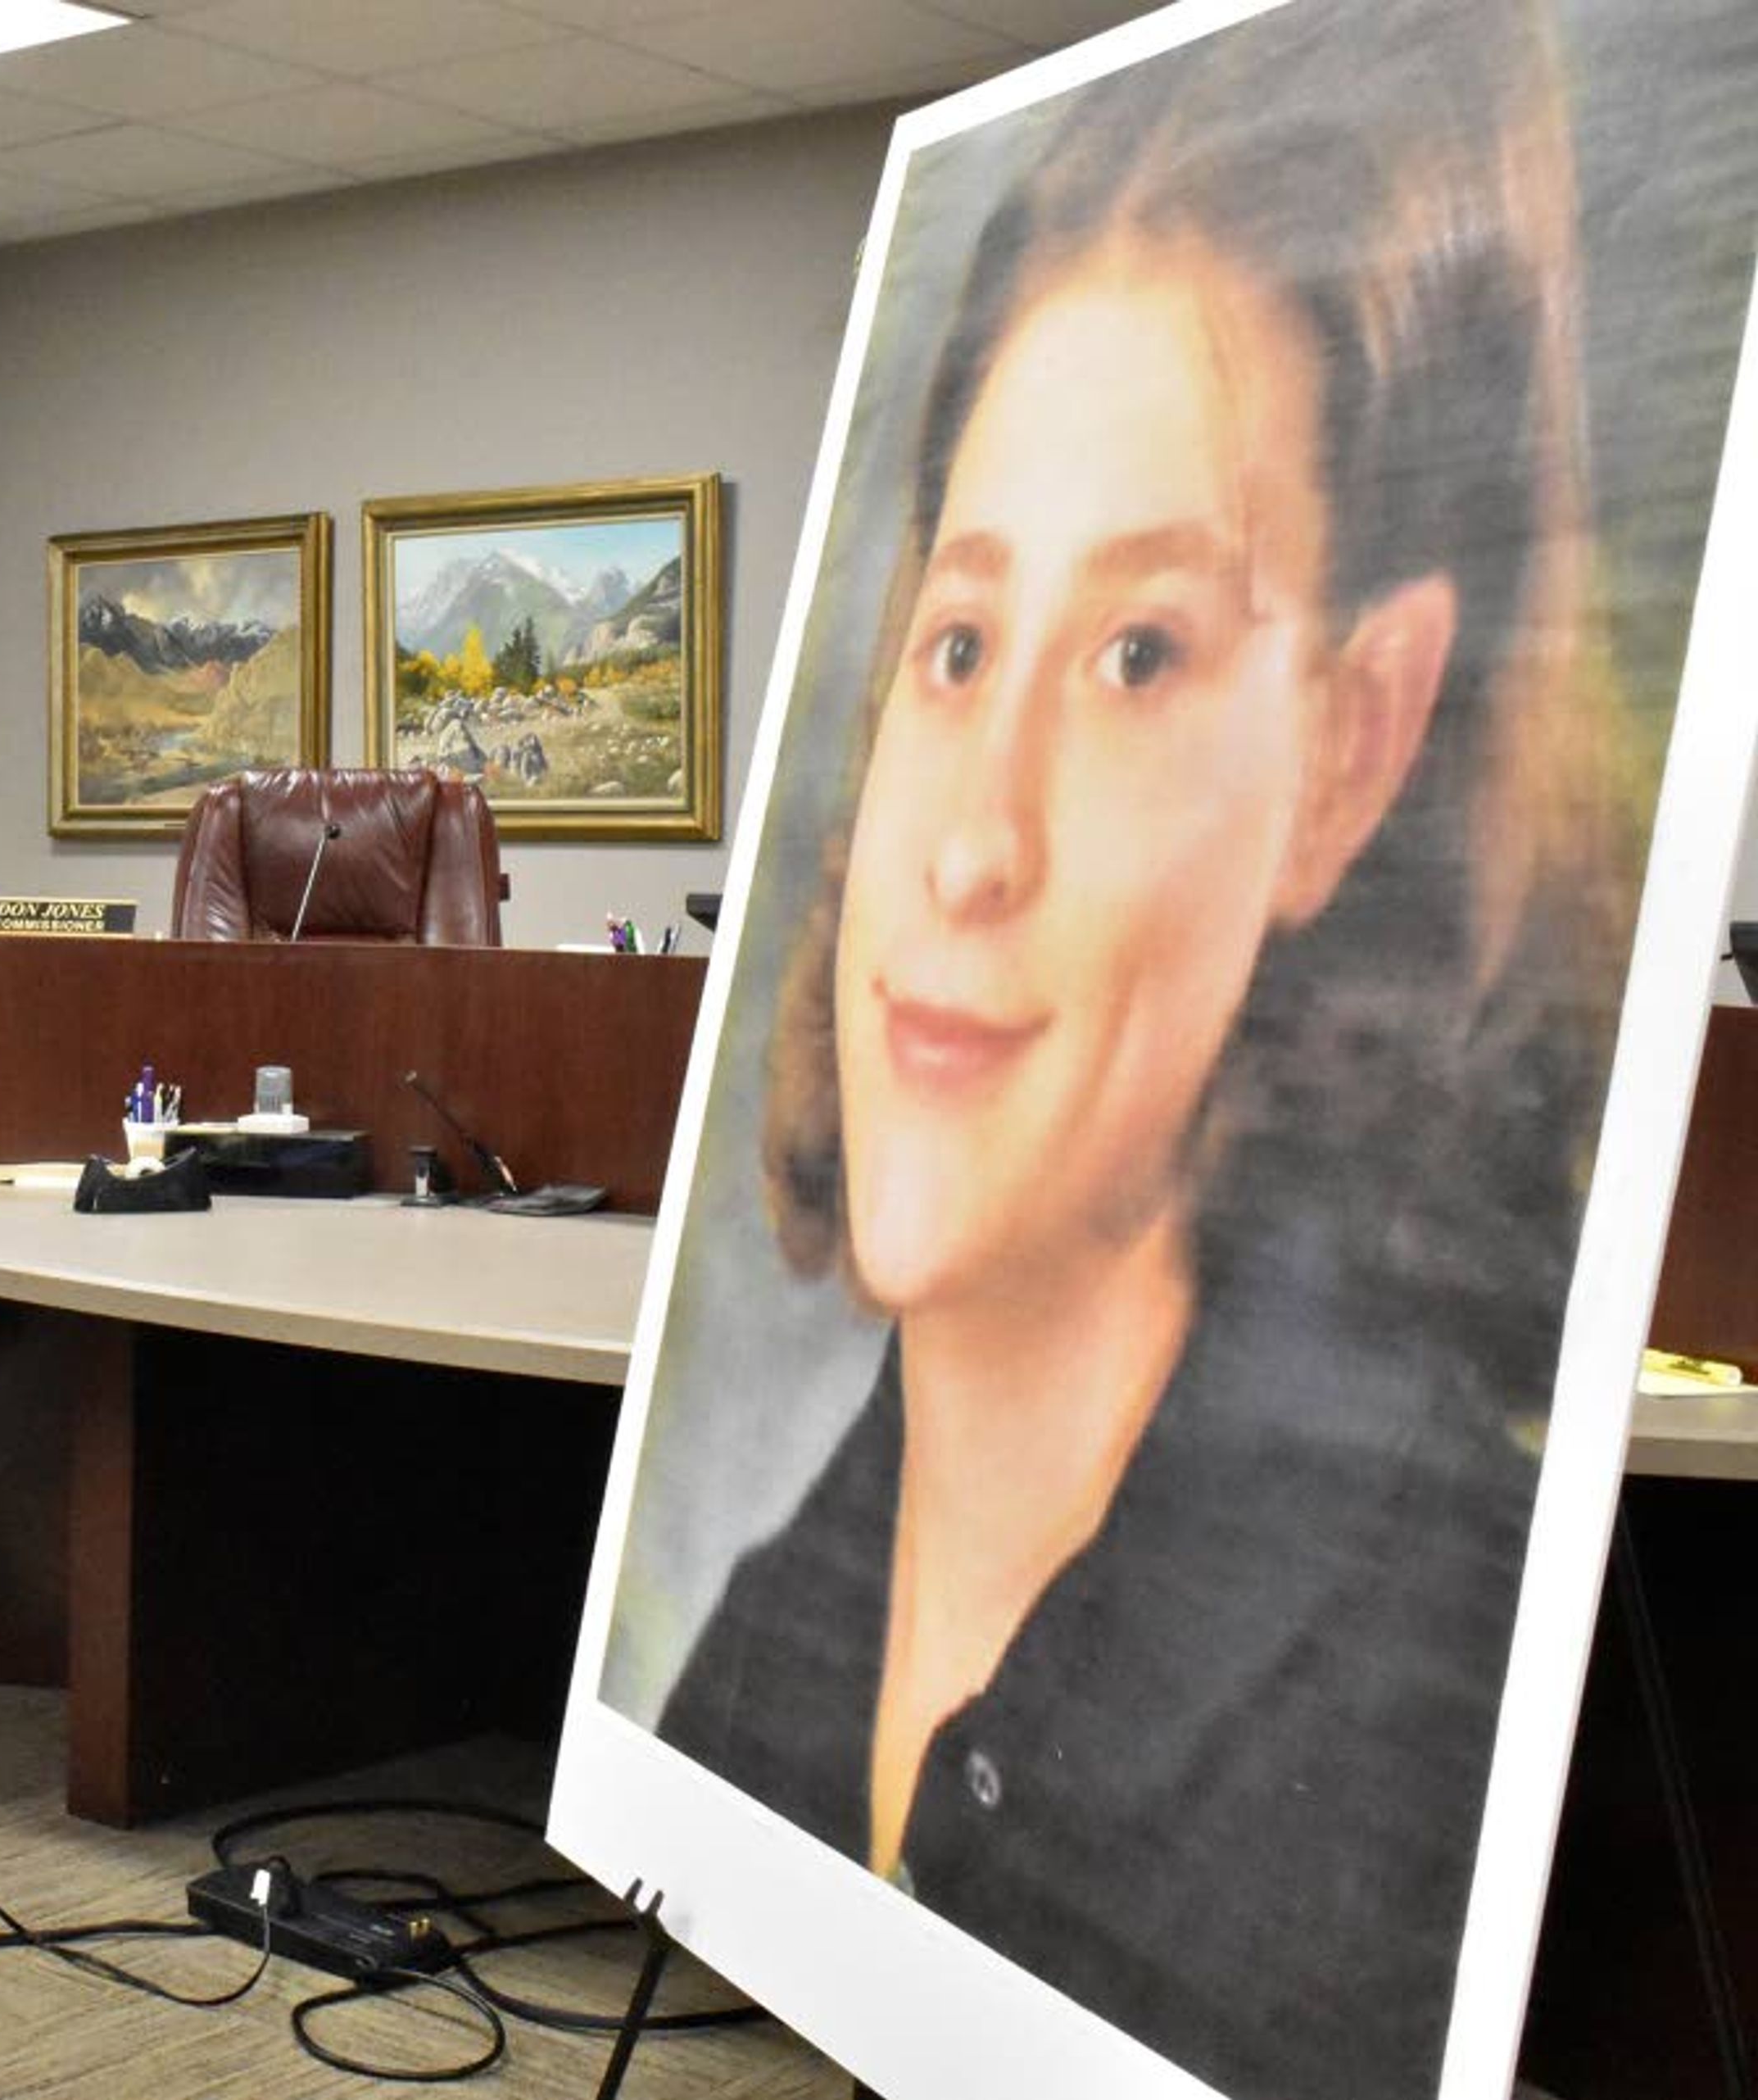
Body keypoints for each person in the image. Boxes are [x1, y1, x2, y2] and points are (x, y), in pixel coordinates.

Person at [655, 4, 1633, 2096]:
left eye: (1136, 653)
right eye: (959, 639)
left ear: (1350, 750)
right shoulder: (751, 1658)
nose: (974, 840)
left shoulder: (1397, 1752)